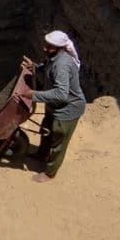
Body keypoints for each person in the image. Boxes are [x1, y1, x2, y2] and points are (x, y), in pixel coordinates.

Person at [30, 29, 86, 179]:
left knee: (58, 142)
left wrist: (33, 95)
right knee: (46, 130)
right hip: (54, 106)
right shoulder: (54, 57)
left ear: (60, 48)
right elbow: (47, 67)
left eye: (49, 47)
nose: (45, 49)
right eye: (45, 45)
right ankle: (41, 154)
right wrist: (35, 67)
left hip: (67, 109)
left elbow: (61, 94)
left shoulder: (62, 65)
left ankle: (50, 172)